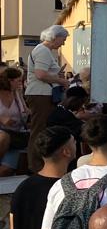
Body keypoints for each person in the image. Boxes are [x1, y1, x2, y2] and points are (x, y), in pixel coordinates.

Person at [25, 25, 68, 171]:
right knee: (39, 130)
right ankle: (35, 166)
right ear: (55, 37)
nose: (63, 43)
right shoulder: (43, 51)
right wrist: (61, 80)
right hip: (40, 94)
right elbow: (40, 74)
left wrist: (57, 77)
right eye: (63, 39)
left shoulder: (44, 51)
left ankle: (38, 165)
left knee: (42, 129)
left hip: (42, 94)